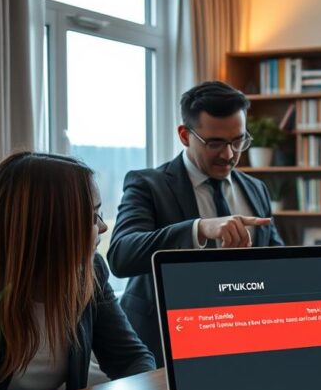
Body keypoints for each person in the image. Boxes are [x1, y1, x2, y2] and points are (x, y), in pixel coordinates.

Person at [0, 153, 156, 390]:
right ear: (52, 226)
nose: (102, 227)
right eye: (92, 216)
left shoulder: (89, 271)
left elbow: (132, 359)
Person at [108, 81, 284, 364]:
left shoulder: (256, 188)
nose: (229, 154)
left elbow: (277, 261)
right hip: (160, 350)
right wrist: (198, 229)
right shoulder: (147, 185)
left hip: (241, 344)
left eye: (238, 140)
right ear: (184, 135)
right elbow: (121, 255)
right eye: (214, 143)